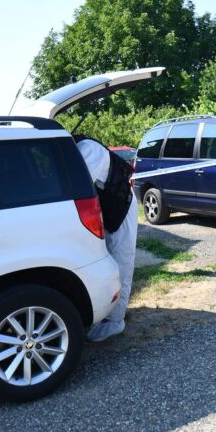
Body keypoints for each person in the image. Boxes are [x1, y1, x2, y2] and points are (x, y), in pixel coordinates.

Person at [76, 135, 138, 342]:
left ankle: (115, 320)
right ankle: (103, 311)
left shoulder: (87, 149)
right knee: (104, 260)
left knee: (122, 260)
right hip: (106, 205)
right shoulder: (77, 149)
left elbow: (79, 185)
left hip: (122, 204)